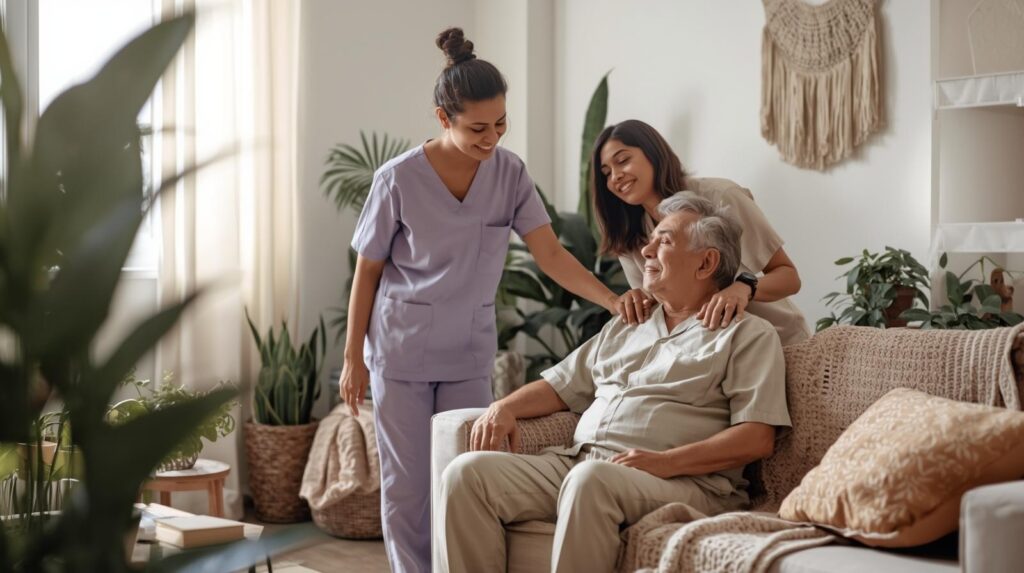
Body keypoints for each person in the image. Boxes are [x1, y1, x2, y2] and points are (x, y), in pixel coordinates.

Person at [340, 28, 648, 573]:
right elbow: (368, 271)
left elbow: (550, 255)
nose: (493, 138)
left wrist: (612, 299)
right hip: (401, 351)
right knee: (407, 487)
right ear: (443, 118)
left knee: (462, 475)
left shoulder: (509, 175)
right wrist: (351, 360)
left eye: (501, 123)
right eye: (478, 127)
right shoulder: (397, 180)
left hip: (467, 351)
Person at [436, 192, 791, 573]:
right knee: (466, 474)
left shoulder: (746, 334)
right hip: (583, 462)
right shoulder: (628, 323)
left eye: (665, 241)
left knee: (591, 480)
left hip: (685, 482)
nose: (647, 249)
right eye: (652, 238)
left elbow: (756, 437)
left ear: (706, 263)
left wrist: (663, 462)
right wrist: (502, 407)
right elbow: (561, 385)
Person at [592, 119, 810, 345]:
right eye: (606, 173)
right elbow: (658, 304)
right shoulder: (628, 233)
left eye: (623, 160)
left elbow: (788, 277)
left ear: (652, 153)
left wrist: (743, 288)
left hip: (778, 341)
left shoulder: (721, 196)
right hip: (706, 353)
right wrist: (635, 301)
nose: (615, 176)